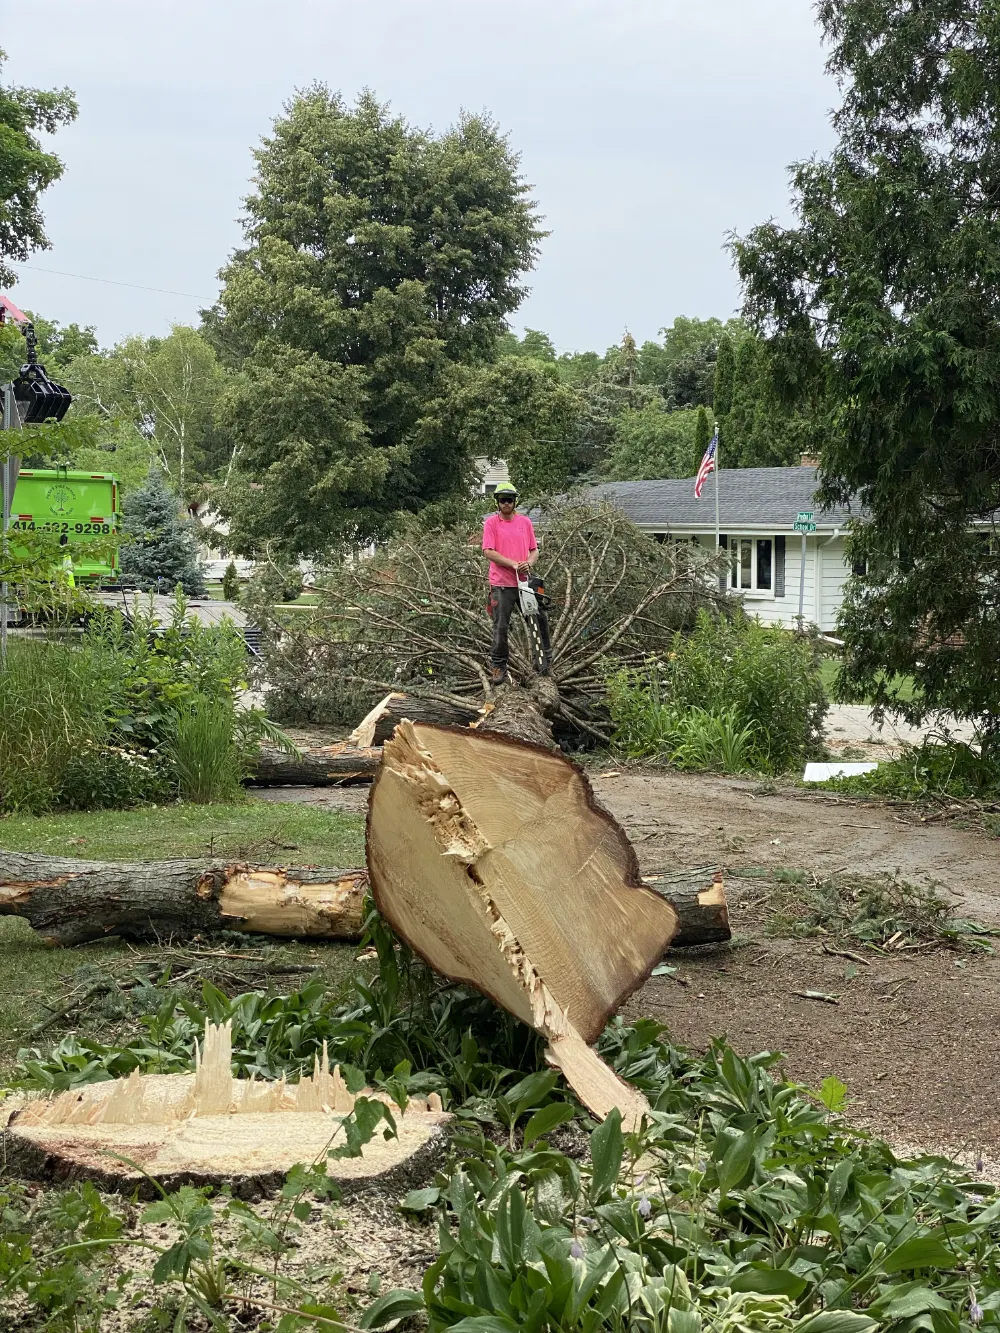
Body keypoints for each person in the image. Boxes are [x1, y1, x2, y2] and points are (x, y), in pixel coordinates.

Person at [481, 482, 549, 685]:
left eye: (510, 499)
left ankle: (544, 663)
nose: (506, 503)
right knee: (501, 626)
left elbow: (534, 549)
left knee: (539, 620)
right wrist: (513, 564)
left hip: (524, 583)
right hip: (501, 584)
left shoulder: (525, 523)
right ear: (498, 502)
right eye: (503, 500)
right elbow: (488, 551)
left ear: (515, 501)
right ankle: (498, 667)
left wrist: (528, 563)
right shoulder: (492, 524)